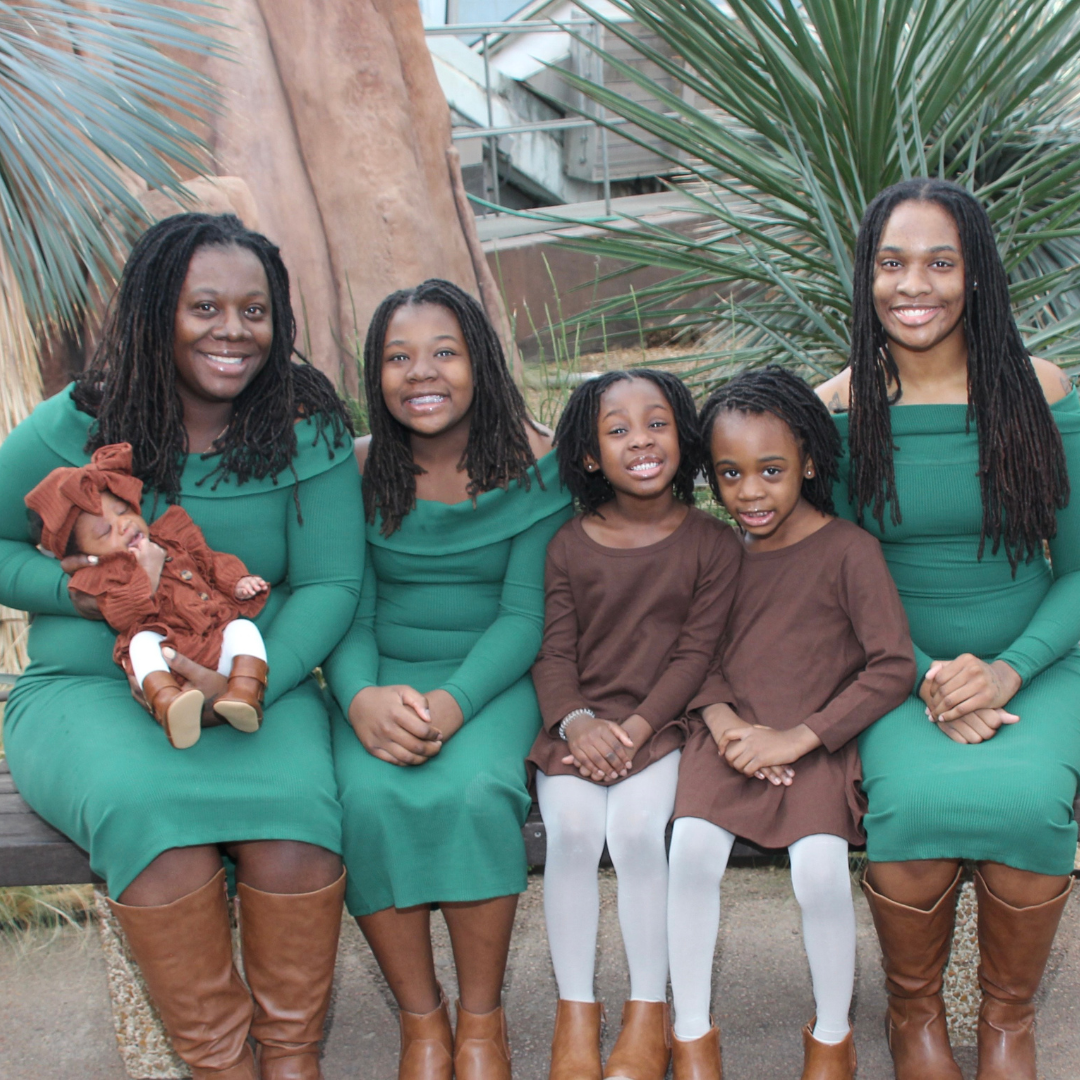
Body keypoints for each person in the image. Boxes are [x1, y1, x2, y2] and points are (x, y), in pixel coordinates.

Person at [0, 213, 364, 1080]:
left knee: (299, 836)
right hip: (90, 690)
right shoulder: (71, 429)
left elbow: (329, 586)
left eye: (254, 310)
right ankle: (221, 1069)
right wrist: (87, 597)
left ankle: (291, 1064)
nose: (231, 331)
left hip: (251, 687)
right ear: (157, 309)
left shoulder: (304, 429)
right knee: (154, 826)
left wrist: (253, 678)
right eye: (204, 306)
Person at [816, 177, 1080, 1080]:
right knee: (916, 814)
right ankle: (915, 1016)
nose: (912, 285)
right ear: (866, 275)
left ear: (976, 276)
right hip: (889, 664)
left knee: (1029, 806)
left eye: (939, 262)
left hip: (1038, 659)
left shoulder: (1040, 392)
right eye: (891, 263)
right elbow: (833, 582)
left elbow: (1079, 569)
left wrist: (1006, 673)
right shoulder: (840, 412)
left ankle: (1006, 1021)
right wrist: (926, 673)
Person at [322, 278, 573, 1080]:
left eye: (442, 353)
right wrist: (360, 700)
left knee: (469, 795)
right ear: (374, 374)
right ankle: (423, 1023)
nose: (419, 374)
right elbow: (347, 610)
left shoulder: (541, 466)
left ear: (481, 362)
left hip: (495, 682)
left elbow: (523, 619)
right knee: (365, 797)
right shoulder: (357, 472)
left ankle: (480, 1022)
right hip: (378, 675)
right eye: (398, 357)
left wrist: (453, 704)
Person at [667, 366, 915, 1080]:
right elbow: (696, 656)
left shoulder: (848, 551)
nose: (749, 492)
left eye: (770, 470)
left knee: (818, 871)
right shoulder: (719, 555)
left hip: (818, 739)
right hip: (729, 739)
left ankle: (833, 1039)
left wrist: (799, 738)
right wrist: (725, 729)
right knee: (689, 851)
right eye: (730, 474)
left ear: (809, 461)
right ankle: (690, 1037)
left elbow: (891, 665)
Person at [528, 369, 742, 1080]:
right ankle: (575, 1013)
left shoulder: (713, 544)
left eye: (655, 423)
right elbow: (554, 650)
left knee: (634, 831)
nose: (640, 440)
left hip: (666, 727)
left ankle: (648, 1012)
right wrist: (578, 722)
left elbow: (696, 653)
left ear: (683, 437)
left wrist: (639, 728)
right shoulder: (569, 544)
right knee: (576, 831)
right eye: (616, 430)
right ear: (590, 457)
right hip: (579, 729)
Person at [25, 442, 270, 747]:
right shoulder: (103, 573)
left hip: (214, 638)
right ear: (86, 553)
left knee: (243, 629)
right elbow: (122, 615)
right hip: (168, 661)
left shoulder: (172, 537)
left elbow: (211, 561)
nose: (124, 524)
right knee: (141, 643)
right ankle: (169, 704)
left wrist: (237, 581)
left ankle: (245, 694)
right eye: (105, 532)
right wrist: (149, 572)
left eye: (123, 510)